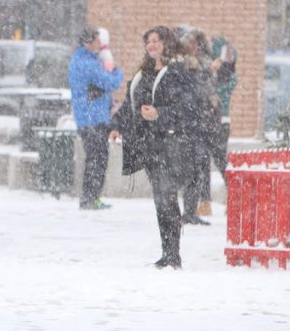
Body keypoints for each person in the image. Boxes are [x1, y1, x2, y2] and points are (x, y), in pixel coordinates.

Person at [110, 26, 198, 269]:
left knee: (167, 198)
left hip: (171, 145)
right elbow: (130, 104)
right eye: (148, 41)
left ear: (166, 44)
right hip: (148, 146)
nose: (151, 45)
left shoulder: (179, 73)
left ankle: (173, 255)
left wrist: (160, 114)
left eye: (156, 41)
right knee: (160, 200)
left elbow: (189, 110)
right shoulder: (143, 74)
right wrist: (117, 125)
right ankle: (166, 253)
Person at [68, 27, 123, 210]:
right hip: (94, 118)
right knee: (98, 160)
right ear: (90, 42)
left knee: (94, 158)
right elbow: (110, 82)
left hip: (85, 118)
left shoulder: (78, 60)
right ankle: (91, 198)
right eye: (98, 41)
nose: (101, 45)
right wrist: (116, 71)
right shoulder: (89, 63)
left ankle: (89, 197)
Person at [175, 26, 218, 226]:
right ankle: (183, 212)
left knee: (199, 166)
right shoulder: (180, 64)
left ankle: (190, 211)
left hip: (198, 122)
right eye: (189, 43)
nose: (193, 46)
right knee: (188, 168)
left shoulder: (199, 62)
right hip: (185, 123)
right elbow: (193, 89)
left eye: (195, 43)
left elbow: (205, 87)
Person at [209, 35, 237, 180]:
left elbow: (220, 94)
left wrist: (213, 72)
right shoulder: (208, 74)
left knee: (220, 159)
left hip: (221, 121)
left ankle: (232, 188)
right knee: (206, 161)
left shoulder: (228, 78)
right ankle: (205, 199)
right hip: (207, 122)